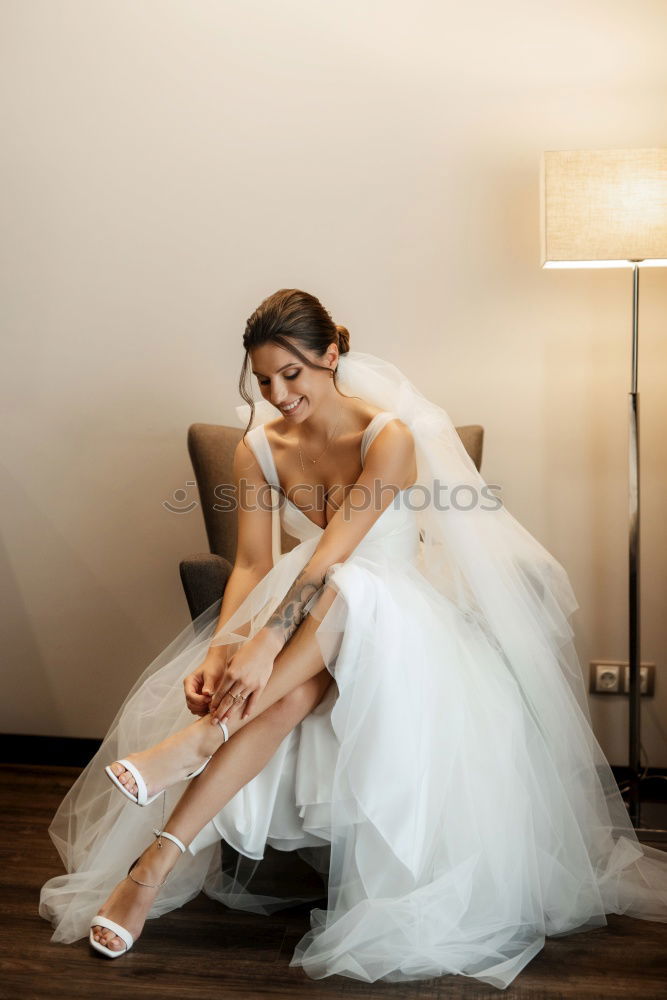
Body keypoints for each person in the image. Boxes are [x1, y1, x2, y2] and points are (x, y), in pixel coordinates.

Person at [40, 289, 667, 990]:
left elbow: (333, 555)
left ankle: (195, 749)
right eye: (264, 380)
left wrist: (261, 648)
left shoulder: (387, 437)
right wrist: (224, 648)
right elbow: (252, 563)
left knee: (349, 587)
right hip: (305, 616)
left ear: (330, 356)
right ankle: (151, 867)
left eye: (292, 375)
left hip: (391, 605)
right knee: (289, 695)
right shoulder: (257, 448)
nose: (277, 394)